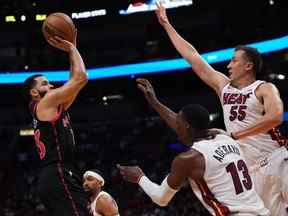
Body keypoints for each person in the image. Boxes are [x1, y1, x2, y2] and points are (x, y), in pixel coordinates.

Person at [140, 1, 288, 214]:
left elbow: (276, 117)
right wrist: (166, 25)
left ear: (248, 66)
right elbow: (193, 57)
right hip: (252, 170)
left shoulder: (263, 88)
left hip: (277, 158)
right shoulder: (223, 87)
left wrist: (235, 135)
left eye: (234, 61)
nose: (228, 65)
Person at [118, 104, 269, 215]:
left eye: (179, 124)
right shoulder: (225, 138)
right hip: (261, 211)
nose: (176, 129)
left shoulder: (188, 159)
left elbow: (161, 198)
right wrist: (154, 102)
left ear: (187, 127)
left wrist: (140, 178)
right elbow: (195, 130)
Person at [22, 31, 89, 216]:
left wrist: (72, 51)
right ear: (34, 93)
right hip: (57, 173)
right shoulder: (45, 102)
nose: (50, 86)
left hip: (56, 175)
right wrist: (71, 48)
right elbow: (82, 77)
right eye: (44, 84)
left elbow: (74, 81)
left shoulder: (50, 107)